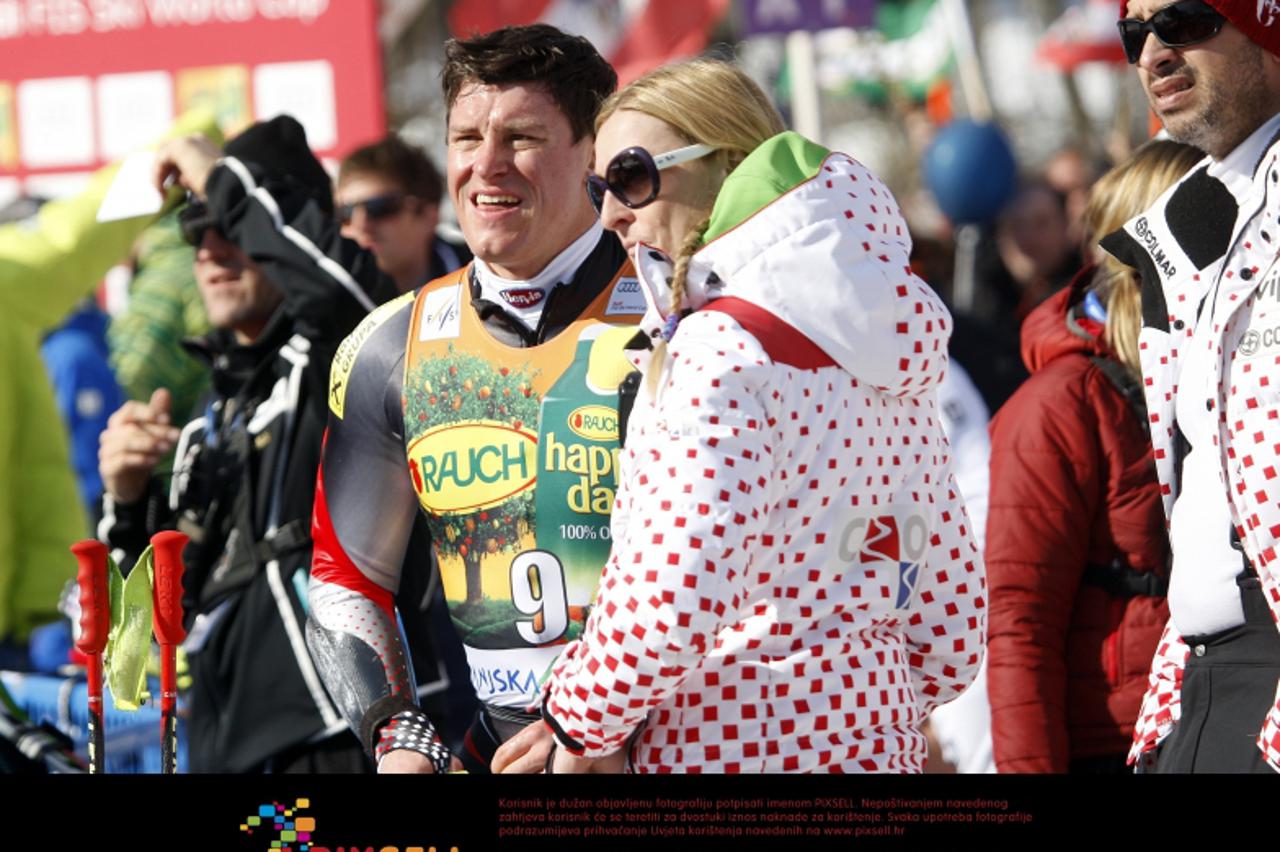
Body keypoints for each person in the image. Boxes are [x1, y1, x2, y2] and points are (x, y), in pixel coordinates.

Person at [537, 58, 985, 773]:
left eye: (630, 176)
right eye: (598, 189)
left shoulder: (720, 347)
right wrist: (856, 702)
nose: (611, 212)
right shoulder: (888, 347)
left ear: (730, 162)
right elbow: (953, 627)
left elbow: (673, 600)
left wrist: (575, 717)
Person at [304, 24, 645, 774]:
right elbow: (344, 577)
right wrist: (395, 732)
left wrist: (603, 723)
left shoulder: (674, 311)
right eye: (465, 138)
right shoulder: (391, 346)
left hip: (673, 750)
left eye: (521, 137)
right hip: (496, 751)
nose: (486, 167)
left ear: (590, 150)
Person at [97, 115, 398, 772]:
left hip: (336, 733)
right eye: (194, 232)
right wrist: (126, 501)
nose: (208, 251)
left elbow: (340, 292)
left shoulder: (340, 356)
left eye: (230, 227)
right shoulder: (203, 416)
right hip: (221, 747)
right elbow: (149, 625)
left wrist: (217, 174)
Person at [1102, 0, 1280, 772]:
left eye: (1182, 21)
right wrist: (1165, 717)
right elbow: (1203, 493)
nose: (1153, 54)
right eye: (1136, 33)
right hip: (1202, 689)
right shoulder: (1181, 227)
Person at [986, 140, 1200, 773]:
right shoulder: (1059, 406)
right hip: (1120, 744)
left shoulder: (1225, 375)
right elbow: (1018, 627)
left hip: (1230, 719)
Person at [0, 110, 216, 671]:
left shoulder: (54, 319)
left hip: (46, 606)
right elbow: (74, 236)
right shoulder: (30, 296)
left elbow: (70, 237)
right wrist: (194, 135)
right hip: (48, 603)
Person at [335, 135, 471, 293]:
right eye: (345, 212)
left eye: (379, 208)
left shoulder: (488, 279)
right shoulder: (319, 302)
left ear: (429, 216)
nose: (360, 224)